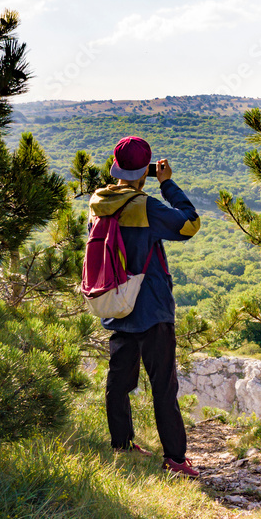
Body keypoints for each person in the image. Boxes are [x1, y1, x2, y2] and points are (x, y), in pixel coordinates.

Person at [88, 136, 201, 477]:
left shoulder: (99, 203)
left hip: (116, 303)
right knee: (163, 386)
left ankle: (121, 445)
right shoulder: (145, 205)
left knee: (118, 382)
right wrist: (168, 186)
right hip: (151, 308)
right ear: (146, 170)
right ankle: (175, 459)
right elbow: (189, 224)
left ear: (116, 166)